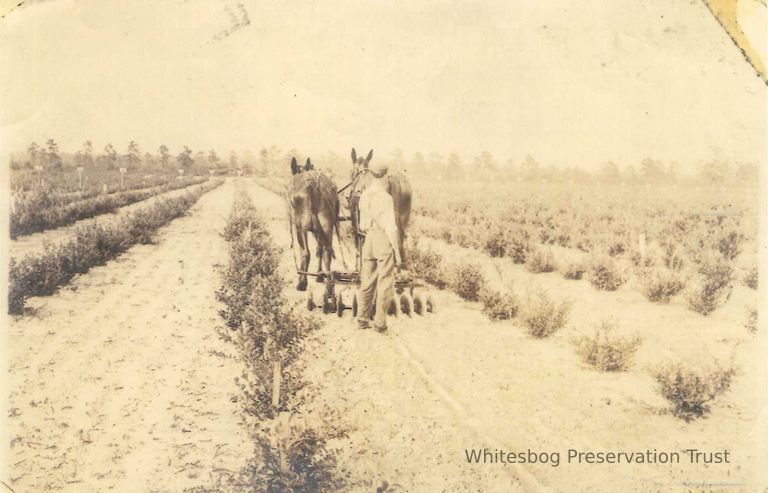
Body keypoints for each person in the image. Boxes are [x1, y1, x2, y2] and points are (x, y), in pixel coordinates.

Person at [357, 160, 403, 332]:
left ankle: (362, 319)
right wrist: (397, 254)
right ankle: (380, 323)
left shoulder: (364, 195)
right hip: (382, 239)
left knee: (367, 281)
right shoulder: (386, 198)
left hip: (368, 239)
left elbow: (362, 224)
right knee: (385, 282)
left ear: (370, 174)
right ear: (385, 176)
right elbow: (391, 227)